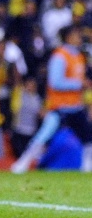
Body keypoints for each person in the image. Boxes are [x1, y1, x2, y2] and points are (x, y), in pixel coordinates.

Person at [11, 24, 92, 173]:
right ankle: (22, 163)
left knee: (88, 138)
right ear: (68, 37)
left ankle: (87, 167)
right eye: (76, 34)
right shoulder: (60, 56)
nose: (80, 37)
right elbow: (55, 82)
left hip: (75, 106)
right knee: (43, 136)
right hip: (59, 106)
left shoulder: (79, 57)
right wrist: (79, 84)